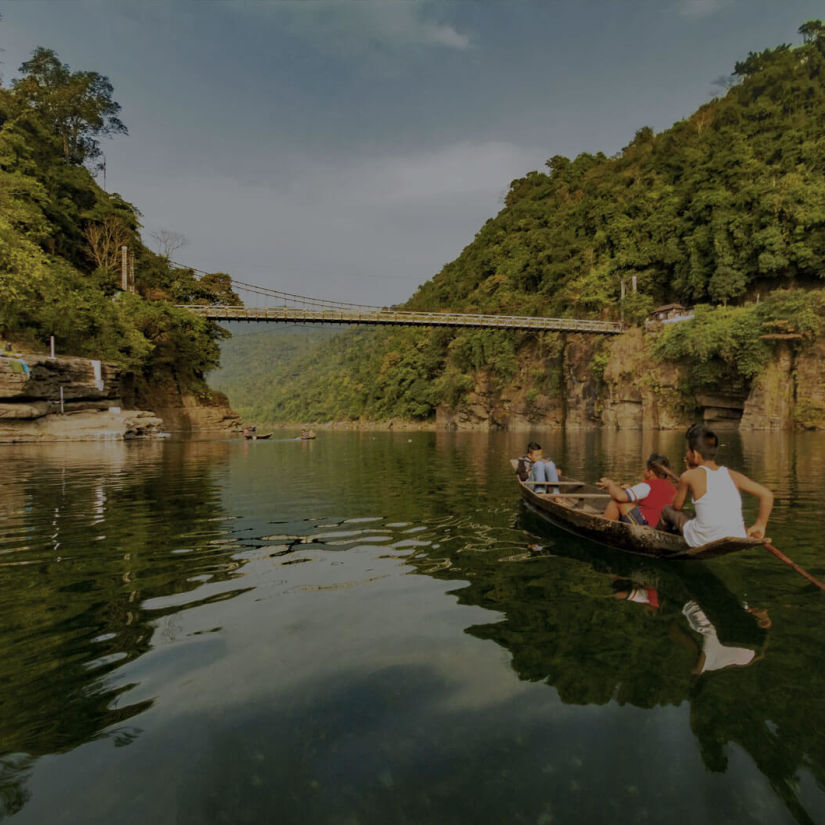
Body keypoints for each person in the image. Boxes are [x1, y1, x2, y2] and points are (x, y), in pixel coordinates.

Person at [657, 424, 774, 546]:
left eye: (688, 451)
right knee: (695, 513)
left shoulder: (688, 476)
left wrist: (686, 476)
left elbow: (677, 506)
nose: (686, 454)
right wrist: (760, 525)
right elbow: (767, 495)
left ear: (695, 454)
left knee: (667, 510)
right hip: (737, 534)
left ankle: (659, 541)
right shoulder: (732, 475)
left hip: (702, 539)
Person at [598, 453, 677, 527]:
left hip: (648, 526)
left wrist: (610, 484)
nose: (644, 471)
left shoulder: (647, 486)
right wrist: (631, 491)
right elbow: (654, 502)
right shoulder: (672, 487)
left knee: (616, 501)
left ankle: (602, 529)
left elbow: (619, 496)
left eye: (646, 469)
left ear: (651, 472)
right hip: (661, 526)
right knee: (627, 500)